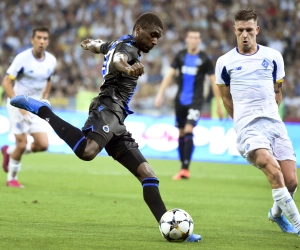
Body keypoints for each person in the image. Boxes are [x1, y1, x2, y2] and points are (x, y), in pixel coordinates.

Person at [10, 13, 201, 242]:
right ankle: (44, 111)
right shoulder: (128, 51)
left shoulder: (120, 42)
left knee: (148, 175)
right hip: (107, 108)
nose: (155, 41)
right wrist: (127, 69)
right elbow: (120, 59)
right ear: (139, 30)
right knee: (88, 151)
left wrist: (90, 45)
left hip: (117, 120)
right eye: (153, 35)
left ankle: (172, 229)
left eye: (158, 37)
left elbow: (101, 46)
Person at [215, 7, 300, 234]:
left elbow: (277, 91)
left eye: (249, 30)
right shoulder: (224, 62)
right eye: (241, 30)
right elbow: (226, 99)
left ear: (257, 30)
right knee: (274, 172)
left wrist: (269, 113)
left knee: (291, 181)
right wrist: (242, 123)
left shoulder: (273, 57)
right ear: (234, 30)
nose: (245, 34)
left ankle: (275, 214)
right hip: (247, 127)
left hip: (273, 124)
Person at [154, 28, 223, 180]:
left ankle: (185, 169)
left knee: (188, 129)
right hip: (180, 101)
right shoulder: (180, 56)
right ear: (187, 39)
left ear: (199, 40)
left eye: (196, 37)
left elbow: (213, 81)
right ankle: (182, 166)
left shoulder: (204, 59)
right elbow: (169, 76)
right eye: (191, 37)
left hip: (196, 100)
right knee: (180, 133)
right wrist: (160, 94)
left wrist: (218, 104)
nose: (193, 40)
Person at [1, 27, 56, 188]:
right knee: (22, 144)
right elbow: (6, 82)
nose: (42, 41)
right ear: (32, 40)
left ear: (48, 41)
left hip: (35, 106)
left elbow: (49, 80)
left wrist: (44, 99)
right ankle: (12, 178)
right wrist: (20, 105)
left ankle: (8, 151)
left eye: (45, 38)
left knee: (43, 144)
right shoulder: (22, 59)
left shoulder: (51, 60)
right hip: (17, 104)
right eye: (38, 38)